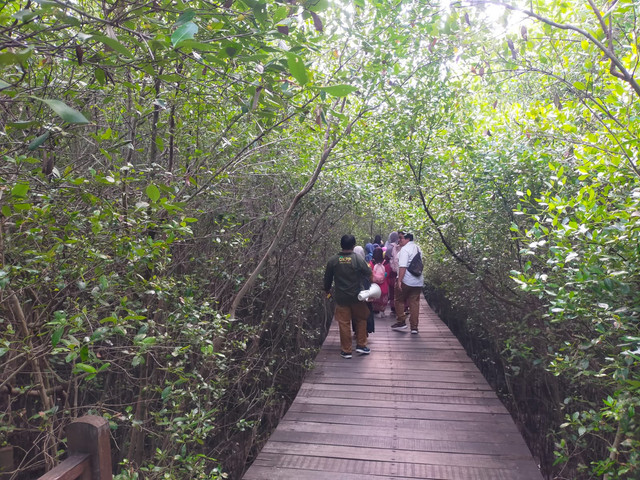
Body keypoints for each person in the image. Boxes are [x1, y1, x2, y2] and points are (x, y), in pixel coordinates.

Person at [324, 235, 373, 358]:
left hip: (341, 298)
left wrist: (327, 291)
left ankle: (346, 350)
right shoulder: (358, 259)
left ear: (341, 245)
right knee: (361, 319)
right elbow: (368, 273)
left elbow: (327, 280)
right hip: (358, 297)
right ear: (353, 245)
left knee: (344, 323)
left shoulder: (333, 260)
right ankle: (361, 345)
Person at [391, 232, 424, 334]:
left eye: (401, 238)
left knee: (398, 299)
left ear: (408, 239)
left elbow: (403, 266)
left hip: (407, 279)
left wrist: (399, 280)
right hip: (418, 280)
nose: (399, 240)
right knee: (414, 303)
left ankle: (401, 321)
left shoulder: (405, 250)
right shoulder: (418, 248)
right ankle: (414, 327)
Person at [369, 247, 390, 316]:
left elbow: (369, 272)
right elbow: (388, 273)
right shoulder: (386, 263)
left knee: (375, 298)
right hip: (384, 285)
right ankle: (382, 311)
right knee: (383, 298)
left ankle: (375, 311)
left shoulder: (372, 263)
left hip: (374, 286)